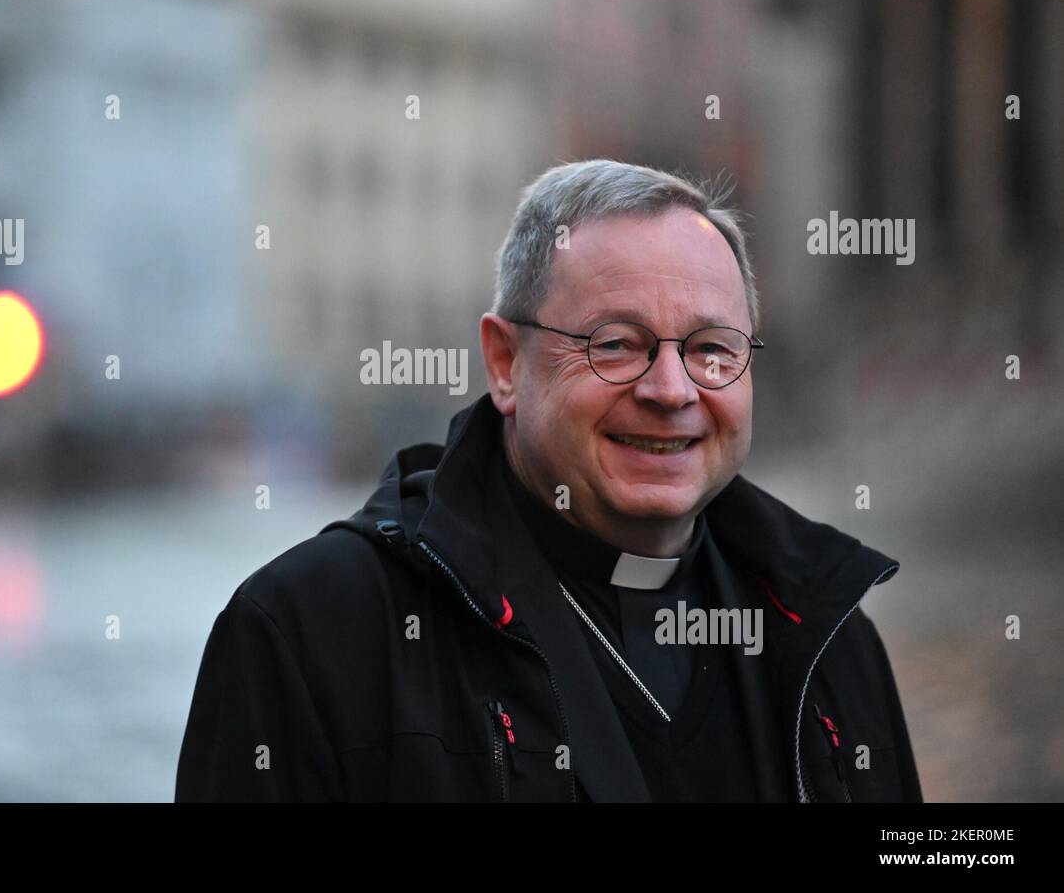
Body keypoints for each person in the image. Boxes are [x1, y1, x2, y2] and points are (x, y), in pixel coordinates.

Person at [175, 159, 923, 802]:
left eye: (712, 349)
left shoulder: (832, 640)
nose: (672, 388)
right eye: (616, 344)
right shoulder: (307, 633)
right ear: (505, 363)